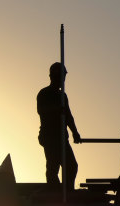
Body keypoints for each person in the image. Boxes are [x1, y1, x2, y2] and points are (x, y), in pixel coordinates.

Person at [37, 62, 82, 190]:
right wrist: (57, 109)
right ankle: (54, 191)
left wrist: (75, 132)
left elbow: (68, 116)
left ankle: (67, 190)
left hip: (62, 138)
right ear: (54, 77)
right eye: (61, 77)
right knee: (53, 167)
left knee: (71, 166)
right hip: (50, 138)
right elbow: (41, 110)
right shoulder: (44, 93)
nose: (63, 80)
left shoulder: (63, 96)